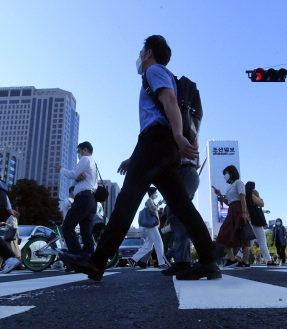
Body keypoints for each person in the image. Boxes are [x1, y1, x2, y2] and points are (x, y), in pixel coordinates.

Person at [59, 35, 219, 281]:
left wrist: (177, 135)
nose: (140, 54)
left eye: (142, 49)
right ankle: (209, 260)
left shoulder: (154, 70)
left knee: (126, 202)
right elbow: (157, 118)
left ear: (149, 52)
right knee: (182, 206)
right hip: (160, 147)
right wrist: (138, 157)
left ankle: (97, 262)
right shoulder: (161, 73)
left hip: (157, 142)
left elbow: (169, 102)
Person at [162, 139, 202, 276]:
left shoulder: (185, 124)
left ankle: (184, 261)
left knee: (176, 212)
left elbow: (194, 145)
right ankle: (182, 261)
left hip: (186, 171)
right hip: (178, 173)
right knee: (179, 215)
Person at [54, 142, 97, 259]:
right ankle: (88, 258)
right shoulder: (94, 163)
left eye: (79, 151)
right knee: (86, 232)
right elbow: (78, 178)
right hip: (91, 199)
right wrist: (77, 179)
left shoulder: (85, 159)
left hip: (83, 198)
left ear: (85, 150)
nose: (79, 154)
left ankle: (76, 255)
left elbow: (73, 174)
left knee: (67, 226)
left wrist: (61, 170)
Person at [214, 166, 250, 268]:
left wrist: (243, 212)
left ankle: (246, 262)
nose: (225, 176)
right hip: (231, 211)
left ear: (231, 173)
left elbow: (243, 198)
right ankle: (232, 259)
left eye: (226, 173)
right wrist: (220, 194)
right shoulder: (229, 187)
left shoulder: (239, 183)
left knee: (244, 235)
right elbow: (228, 202)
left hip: (239, 209)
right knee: (223, 234)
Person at [129, 187, 168, 268]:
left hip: (149, 227)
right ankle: (161, 263)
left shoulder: (151, 201)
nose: (156, 195)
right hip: (151, 227)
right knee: (159, 243)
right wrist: (158, 205)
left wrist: (158, 204)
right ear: (151, 193)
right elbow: (153, 209)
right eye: (155, 193)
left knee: (147, 246)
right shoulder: (149, 200)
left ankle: (133, 259)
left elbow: (153, 209)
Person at [244, 181, 276, 266]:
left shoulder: (245, 197)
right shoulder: (252, 196)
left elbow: (254, 209)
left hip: (250, 221)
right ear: (252, 188)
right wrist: (258, 195)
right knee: (262, 242)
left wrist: (265, 211)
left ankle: (238, 257)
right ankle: (269, 260)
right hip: (256, 222)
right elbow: (261, 204)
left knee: (250, 242)